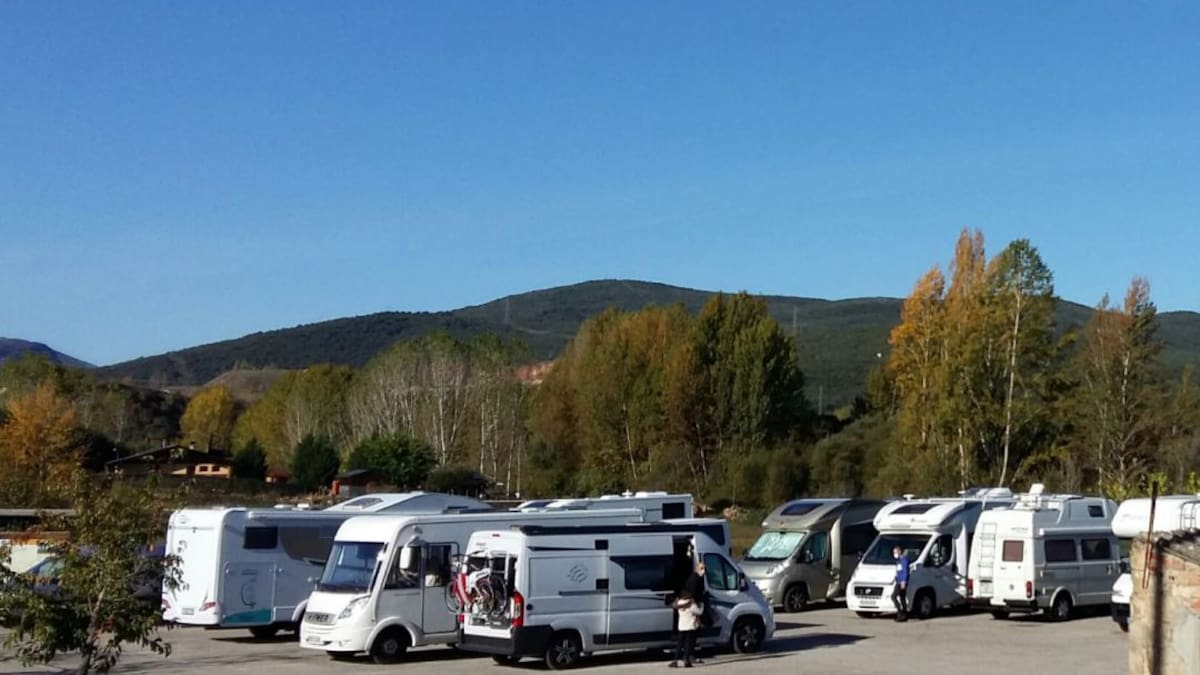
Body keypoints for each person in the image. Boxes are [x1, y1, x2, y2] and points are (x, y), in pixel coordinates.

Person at [670, 590, 702, 668]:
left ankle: (675, 661)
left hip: (681, 626)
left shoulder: (679, 603)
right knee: (688, 644)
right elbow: (699, 612)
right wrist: (701, 605)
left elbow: (675, 605)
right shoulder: (692, 604)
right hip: (690, 626)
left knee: (679, 644)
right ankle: (686, 661)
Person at [892, 545, 910, 622]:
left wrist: (904, 581)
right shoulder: (898, 561)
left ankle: (900, 613)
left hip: (902, 582)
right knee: (902, 598)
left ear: (899, 552)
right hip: (898, 581)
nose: (894, 554)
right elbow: (898, 571)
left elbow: (905, 571)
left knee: (894, 596)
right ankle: (904, 615)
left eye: (895, 552)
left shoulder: (904, 560)